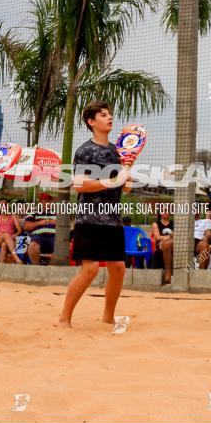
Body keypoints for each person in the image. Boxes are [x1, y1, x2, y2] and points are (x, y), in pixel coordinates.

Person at [59, 101, 136, 328]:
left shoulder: (117, 151)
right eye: (103, 115)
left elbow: (127, 188)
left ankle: (108, 316)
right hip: (88, 218)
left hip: (112, 219)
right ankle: (64, 318)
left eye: (110, 114)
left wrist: (127, 171)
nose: (109, 117)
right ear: (91, 122)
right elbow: (80, 185)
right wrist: (110, 180)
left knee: (118, 268)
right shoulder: (84, 151)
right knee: (90, 269)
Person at [0, 198, 22, 263]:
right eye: (1, 204)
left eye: (5, 204)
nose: (4, 206)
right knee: (5, 236)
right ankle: (16, 258)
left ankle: (1, 264)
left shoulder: (13, 216)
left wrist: (12, 237)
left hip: (11, 240)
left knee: (4, 244)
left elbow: (19, 231)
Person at [24, 193, 56, 265]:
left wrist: (54, 222)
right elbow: (26, 226)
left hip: (54, 236)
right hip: (38, 236)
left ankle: (50, 269)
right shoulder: (33, 213)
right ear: (40, 202)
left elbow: (62, 226)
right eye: (44, 200)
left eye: (49, 200)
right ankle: (37, 268)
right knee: (33, 246)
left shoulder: (58, 214)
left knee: (61, 248)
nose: (47, 202)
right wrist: (40, 222)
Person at [150, 210, 174, 284]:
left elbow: (177, 235)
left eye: (168, 210)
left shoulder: (174, 223)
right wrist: (170, 236)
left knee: (168, 244)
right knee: (165, 244)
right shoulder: (156, 224)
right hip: (160, 245)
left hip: (172, 244)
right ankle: (168, 273)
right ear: (160, 213)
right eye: (164, 210)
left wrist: (165, 238)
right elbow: (157, 237)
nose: (166, 212)